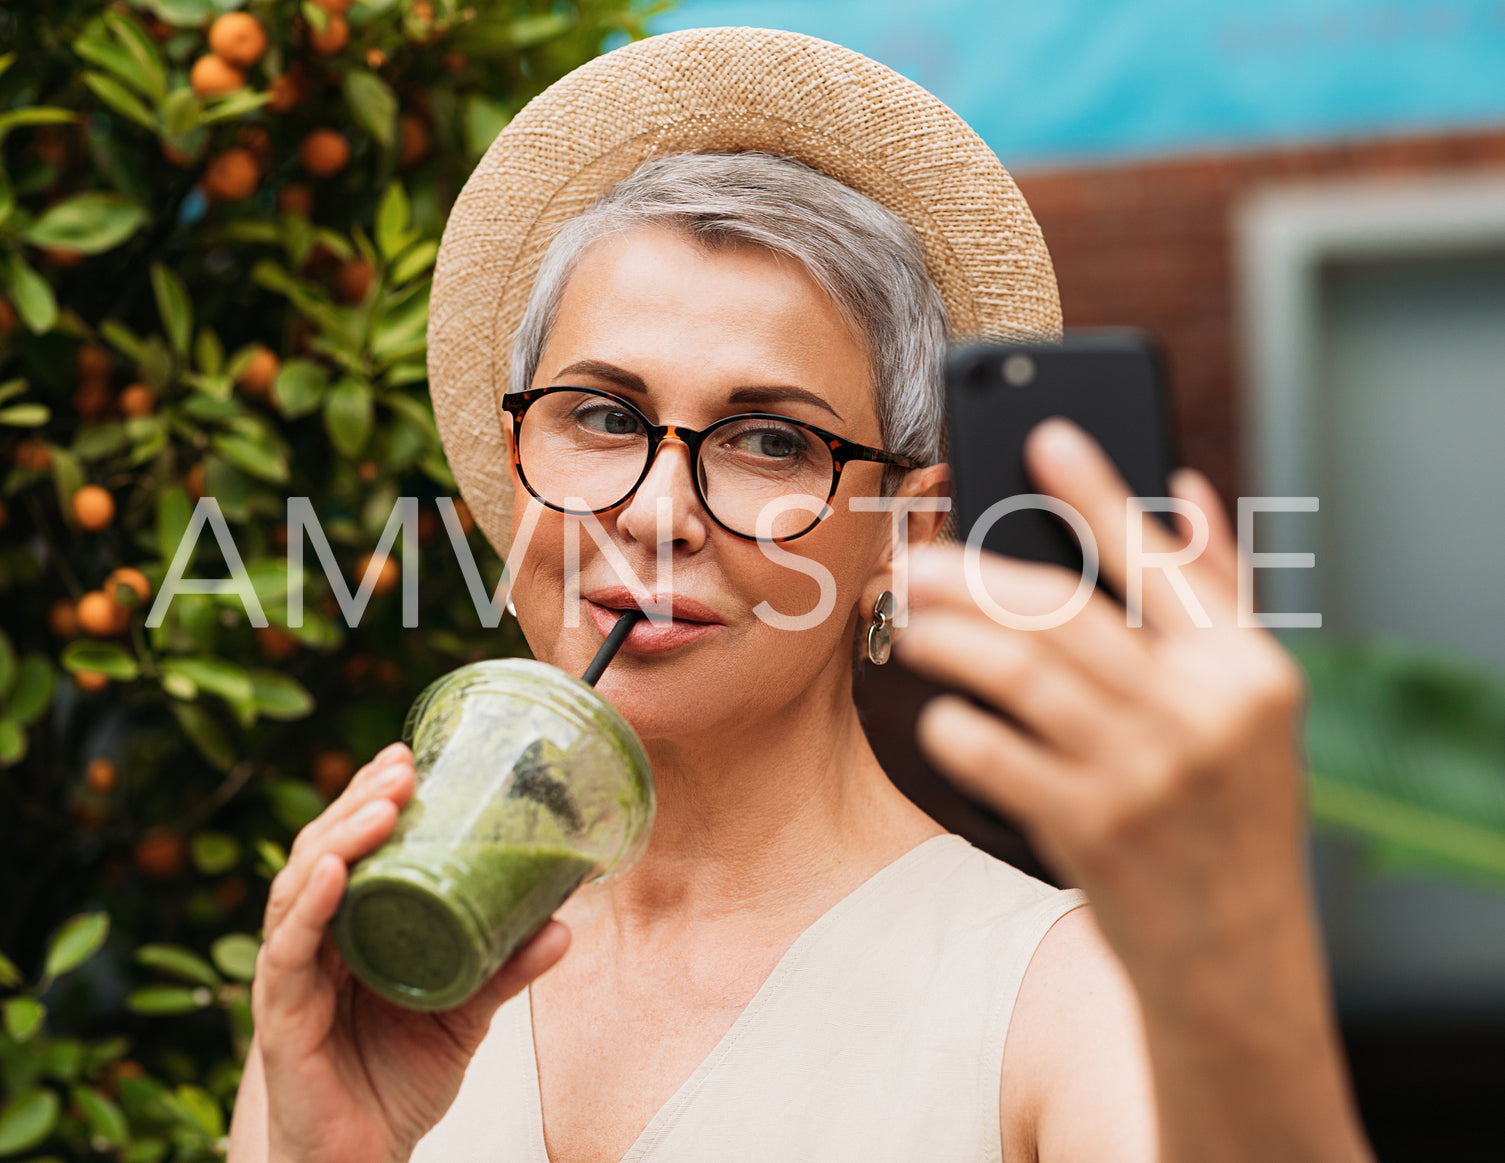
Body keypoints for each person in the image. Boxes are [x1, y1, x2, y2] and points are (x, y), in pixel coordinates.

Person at [228, 28, 1374, 1163]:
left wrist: (1242, 945)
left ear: (902, 532)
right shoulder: (386, 966)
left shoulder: (1062, 1002)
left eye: (767, 440)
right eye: (604, 415)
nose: (656, 510)